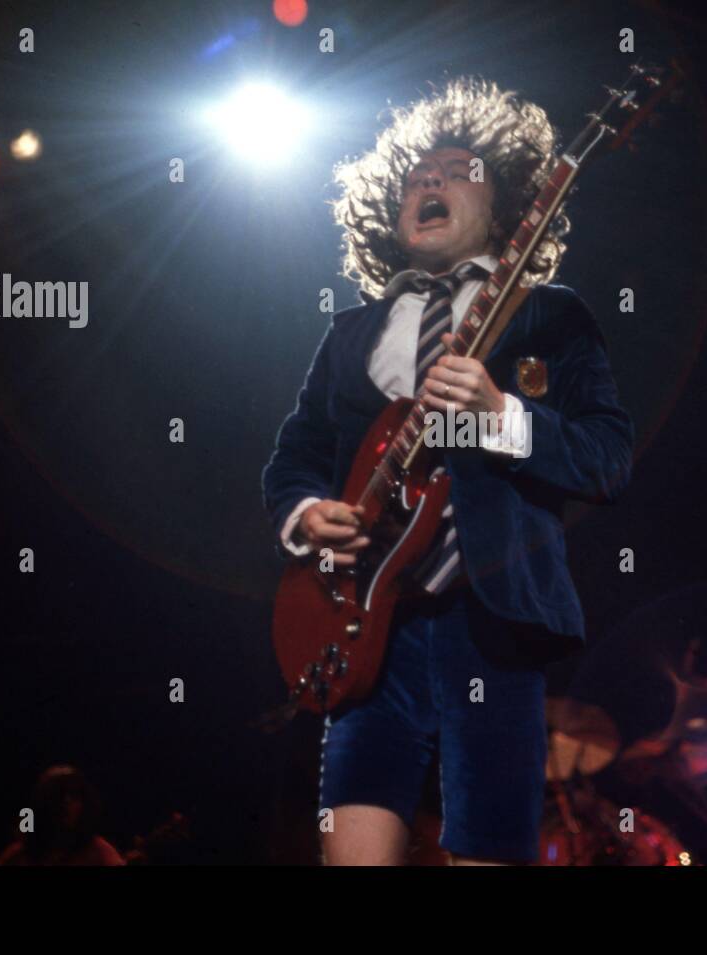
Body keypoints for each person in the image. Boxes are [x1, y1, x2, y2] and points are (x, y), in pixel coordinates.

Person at [262, 77, 633, 865]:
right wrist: (305, 513)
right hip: (364, 628)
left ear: (504, 207)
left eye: (458, 169)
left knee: (488, 852)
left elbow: (606, 458)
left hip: (490, 619)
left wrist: (503, 414)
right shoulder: (351, 331)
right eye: (414, 178)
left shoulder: (551, 315)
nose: (428, 180)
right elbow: (295, 455)